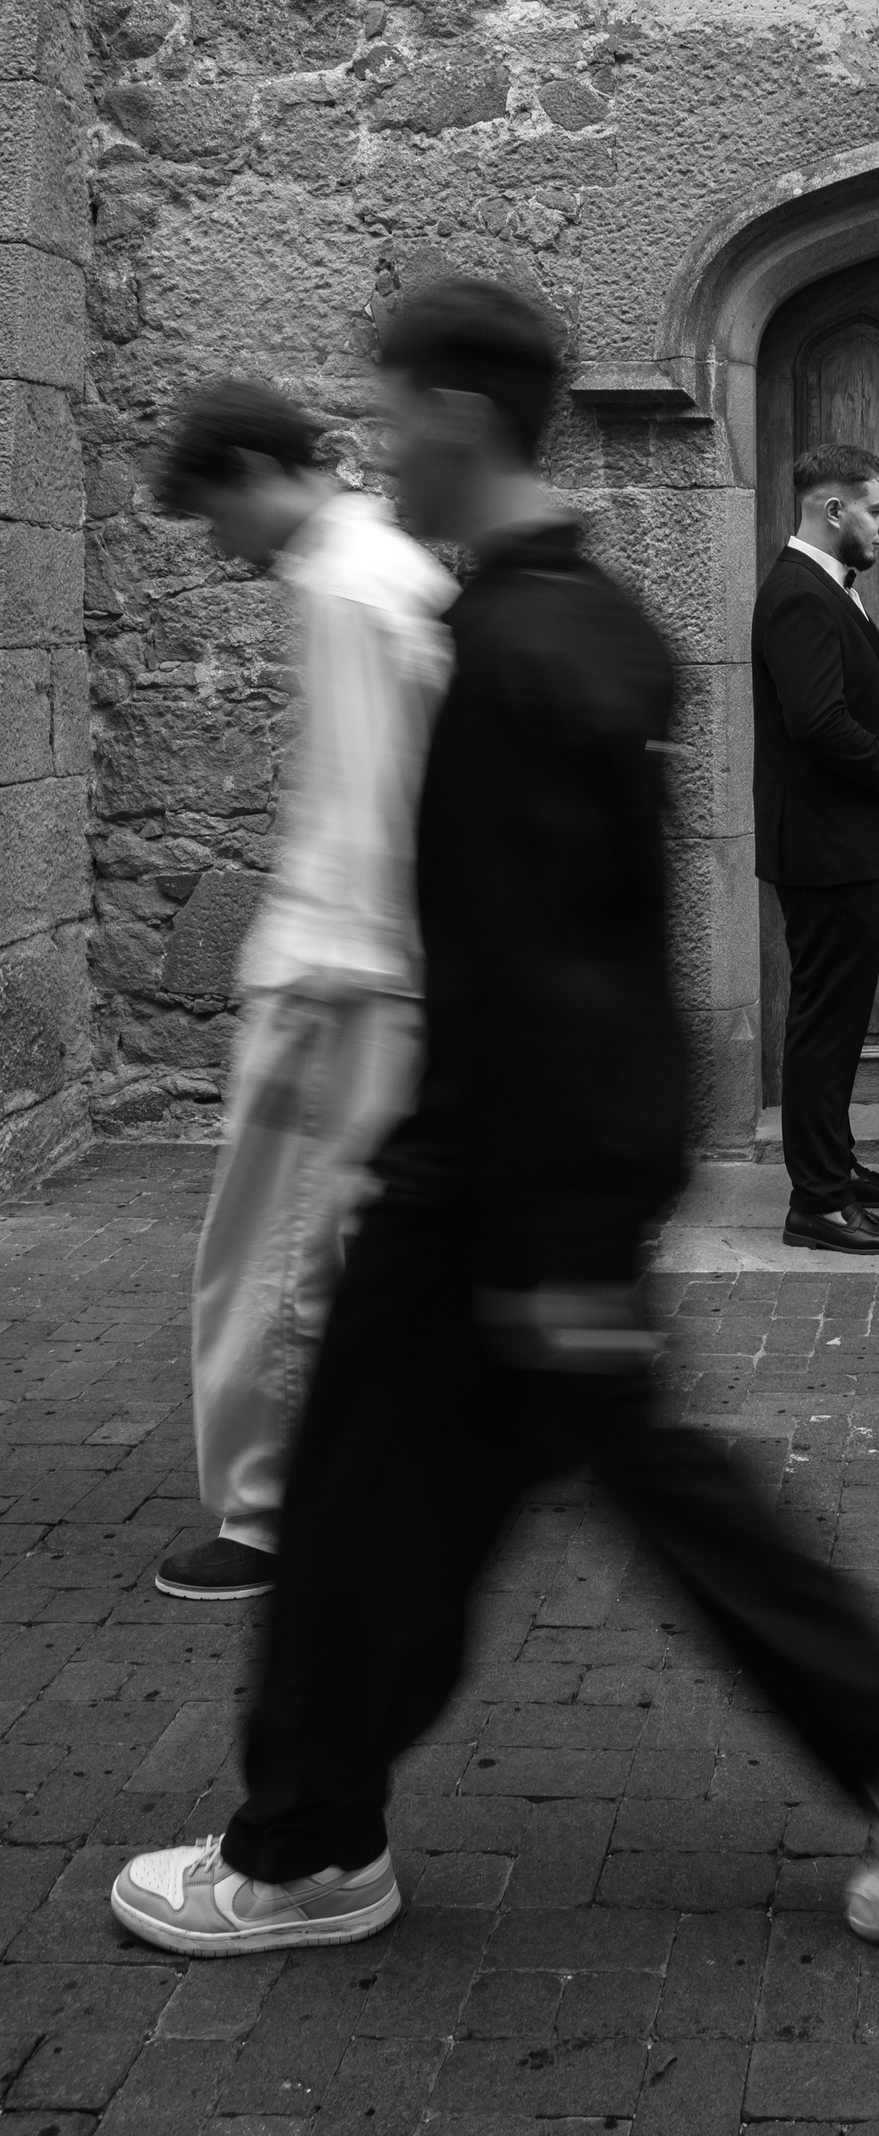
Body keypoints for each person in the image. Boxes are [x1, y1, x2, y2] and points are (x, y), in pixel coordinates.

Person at [111, 278, 879, 1962]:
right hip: (540, 1161)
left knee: (377, 1496)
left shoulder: (513, 649)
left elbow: (542, 956)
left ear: (460, 421)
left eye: (395, 420)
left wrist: (536, 1228)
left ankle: (309, 1849)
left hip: (500, 1170)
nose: (378, 455)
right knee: (554, 1483)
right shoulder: (581, 613)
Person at [148, 381, 454, 1601]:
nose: (222, 547)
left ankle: (269, 1511)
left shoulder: (345, 585)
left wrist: (333, 975)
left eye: (216, 515)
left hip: (341, 973)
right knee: (347, 1241)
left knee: (272, 1250)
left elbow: (370, 802)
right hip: (376, 968)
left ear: (253, 472)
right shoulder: (386, 567)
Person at [752, 444, 879, 1255]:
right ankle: (818, 1203)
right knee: (825, 1023)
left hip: (840, 844)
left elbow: (835, 711)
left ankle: (836, 1165)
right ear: (834, 511)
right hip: (824, 850)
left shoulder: (826, 587)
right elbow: (819, 726)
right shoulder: (799, 593)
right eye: (876, 510)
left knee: (839, 1018)